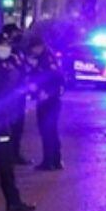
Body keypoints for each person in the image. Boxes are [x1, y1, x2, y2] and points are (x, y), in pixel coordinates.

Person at [0, 34, 35, 211]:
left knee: (6, 164)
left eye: (6, 45)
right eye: (1, 45)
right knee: (5, 163)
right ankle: (13, 202)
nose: (5, 48)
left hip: (1, 121)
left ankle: (14, 202)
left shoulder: (9, 63)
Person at [29, 36, 64, 170]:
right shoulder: (47, 58)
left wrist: (46, 93)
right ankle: (55, 160)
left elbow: (55, 79)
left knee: (47, 131)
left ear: (39, 47)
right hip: (49, 99)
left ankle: (49, 161)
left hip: (48, 100)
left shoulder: (46, 60)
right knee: (51, 131)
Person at [2, 24, 31, 164]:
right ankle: (7, 155)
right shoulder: (6, 52)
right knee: (9, 126)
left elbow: (23, 68)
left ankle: (15, 154)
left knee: (18, 125)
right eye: (15, 33)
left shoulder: (18, 51)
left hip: (20, 94)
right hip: (11, 95)